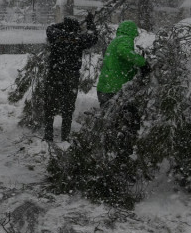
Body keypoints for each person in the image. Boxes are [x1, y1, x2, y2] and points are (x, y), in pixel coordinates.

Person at [96, 19, 150, 163]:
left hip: (104, 88)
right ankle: (121, 157)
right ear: (132, 31)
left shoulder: (115, 41)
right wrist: (143, 63)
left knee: (109, 123)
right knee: (128, 122)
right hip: (115, 90)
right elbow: (123, 52)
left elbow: (120, 61)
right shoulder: (125, 40)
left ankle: (107, 154)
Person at [43, 13, 98, 142]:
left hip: (54, 73)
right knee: (68, 107)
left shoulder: (56, 34)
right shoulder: (80, 39)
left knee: (50, 105)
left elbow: (49, 29)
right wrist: (90, 23)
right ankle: (65, 137)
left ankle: (48, 135)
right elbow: (93, 37)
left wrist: (62, 26)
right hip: (71, 75)